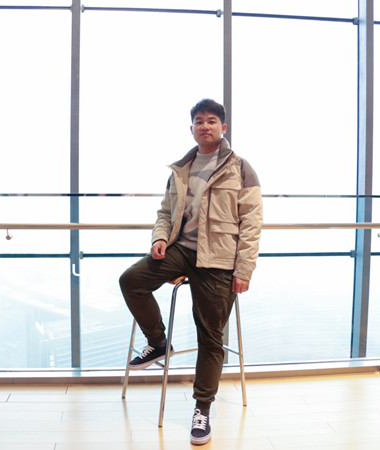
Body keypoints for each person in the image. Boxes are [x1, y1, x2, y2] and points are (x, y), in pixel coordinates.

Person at [119, 98, 262, 445]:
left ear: (223, 128)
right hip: (181, 251)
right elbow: (165, 213)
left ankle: (202, 409)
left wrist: (244, 269)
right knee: (131, 280)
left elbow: (251, 223)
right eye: (199, 121)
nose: (205, 126)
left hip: (219, 259)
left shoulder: (240, 168)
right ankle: (158, 343)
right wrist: (159, 239)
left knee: (210, 337)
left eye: (212, 121)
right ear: (191, 128)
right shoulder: (181, 169)